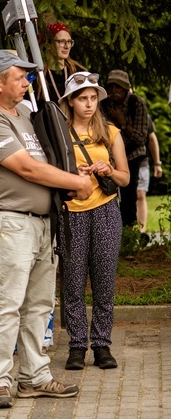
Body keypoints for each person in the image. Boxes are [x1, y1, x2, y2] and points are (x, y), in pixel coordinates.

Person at [0, 50, 93, 409]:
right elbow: (26, 168)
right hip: (11, 221)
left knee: (39, 304)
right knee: (7, 303)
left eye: (27, 76)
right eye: (20, 77)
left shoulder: (23, 113)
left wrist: (71, 176)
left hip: (42, 223)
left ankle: (34, 376)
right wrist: (74, 182)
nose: (27, 83)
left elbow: (45, 159)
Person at [58, 71, 129, 371]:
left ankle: (102, 344)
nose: (88, 104)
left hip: (105, 211)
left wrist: (107, 170)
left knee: (104, 280)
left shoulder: (110, 132)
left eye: (92, 98)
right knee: (72, 283)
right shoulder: (58, 133)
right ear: (70, 101)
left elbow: (124, 177)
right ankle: (77, 346)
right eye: (82, 98)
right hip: (70, 212)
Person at [100, 69, 149, 227]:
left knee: (129, 196)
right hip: (111, 154)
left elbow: (141, 139)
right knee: (109, 193)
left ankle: (129, 230)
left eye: (118, 87)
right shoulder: (105, 104)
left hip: (133, 154)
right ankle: (114, 228)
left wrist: (122, 122)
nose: (114, 91)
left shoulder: (137, 103)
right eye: (111, 87)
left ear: (126, 88)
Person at [42, 22, 86, 99]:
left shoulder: (78, 73)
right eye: (61, 41)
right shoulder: (39, 76)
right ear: (49, 43)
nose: (67, 46)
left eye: (69, 42)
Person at [137, 118, 162, 233]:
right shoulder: (111, 110)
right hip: (118, 163)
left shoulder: (143, 114)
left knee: (141, 194)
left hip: (141, 161)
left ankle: (142, 231)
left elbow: (152, 139)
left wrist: (157, 163)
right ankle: (126, 231)